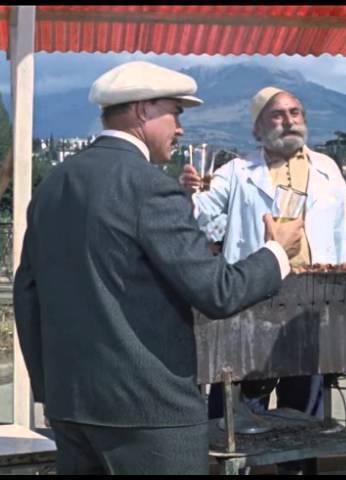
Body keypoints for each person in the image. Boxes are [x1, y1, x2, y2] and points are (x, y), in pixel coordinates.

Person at [12, 61, 304, 475]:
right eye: (176, 113)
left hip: (70, 406)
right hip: (149, 411)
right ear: (142, 110)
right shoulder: (151, 187)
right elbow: (217, 291)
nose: (180, 128)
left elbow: (27, 293)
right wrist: (276, 252)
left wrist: (51, 390)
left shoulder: (54, 185)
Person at [180, 86, 346, 474]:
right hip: (251, 306)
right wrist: (189, 192)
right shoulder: (236, 172)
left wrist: (345, 302)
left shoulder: (328, 170)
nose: (289, 120)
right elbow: (199, 219)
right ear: (257, 129)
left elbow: (341, 237)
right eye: (277, 114)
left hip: (309, 307)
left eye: (295, 112)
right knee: (235, 416)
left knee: (304, 420)